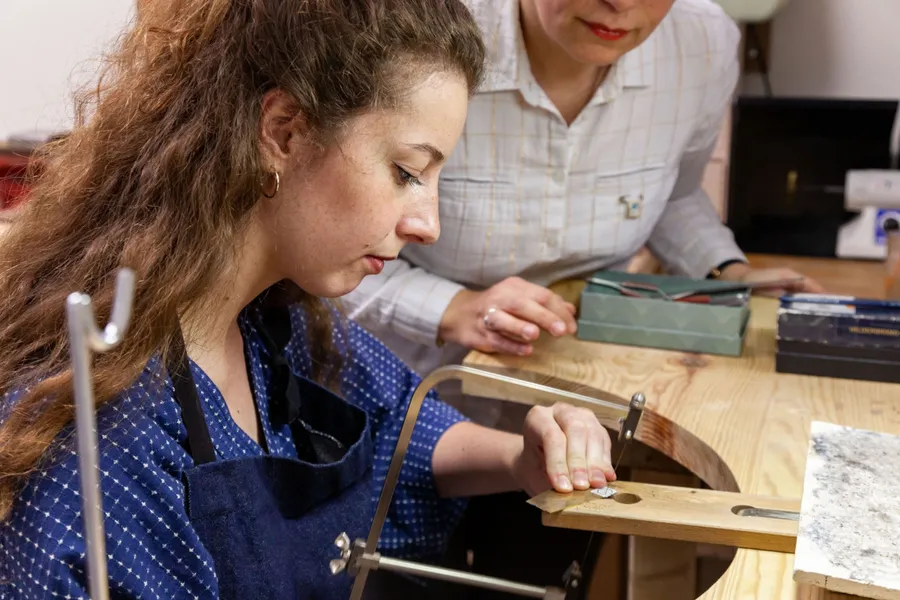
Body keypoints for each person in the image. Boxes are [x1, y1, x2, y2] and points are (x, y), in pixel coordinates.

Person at [0, 2, 618, 599]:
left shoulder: (277, 323)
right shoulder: (108, 441)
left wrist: (523, 456)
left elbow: (399, 427)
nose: (428, 223)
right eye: (406, 171)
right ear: (284, 133)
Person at [342, 0, 827, 594]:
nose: (620, 5)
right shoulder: (421, 29)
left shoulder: (701, 44)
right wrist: (450, 307)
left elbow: (672, 196)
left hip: (574, 405)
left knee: (535, 570)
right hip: (394, 387)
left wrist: (722, 269)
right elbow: (319, 243)